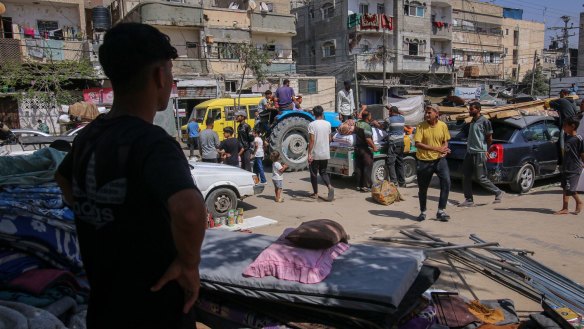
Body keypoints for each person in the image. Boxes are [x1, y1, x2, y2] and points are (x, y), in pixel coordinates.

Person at [53, 23, 206, 329]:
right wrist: (189, 265)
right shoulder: (154, 143)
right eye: (171, 72)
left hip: (105, 307)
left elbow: (63, 178)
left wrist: (96, 214)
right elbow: (189, 212)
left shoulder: (88, 136)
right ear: (159, 76)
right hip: (156, 309)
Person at [459, 102, 503, 207]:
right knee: (465, 176)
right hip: (470, 153)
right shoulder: (472, 122)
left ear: (478, 109)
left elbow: (489, 138)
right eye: (469, 109)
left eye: (472, 109)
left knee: (480, 177)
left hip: (479, 153)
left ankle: (498, 192)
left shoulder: (485, 122)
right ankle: (469, 199)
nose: (470, 111)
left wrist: (486, 150)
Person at [415, 105, 451, 222]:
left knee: (446, 183)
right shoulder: (421, 126)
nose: (426, 115)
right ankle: (423, 211)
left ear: (436, 113)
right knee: (423, 188)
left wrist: (445, 149)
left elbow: (445, 141)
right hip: (424, 161)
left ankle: (441, 211)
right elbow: (418, 144)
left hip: (440, 160)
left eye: (429, 113)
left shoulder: (443, 125)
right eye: (426, 112)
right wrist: (437, 149)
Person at [555, 116, 584, 215]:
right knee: (565, 187)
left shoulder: (578, 139)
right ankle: (565, 208)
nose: (563, 127)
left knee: (570, 189)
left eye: (565, 125)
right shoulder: (567, 137)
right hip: (566, 166)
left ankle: (579, 202)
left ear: (572, 126)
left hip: (574, 167)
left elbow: (582, 153)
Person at [307, 105, 334, 201]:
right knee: (323, 172)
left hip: (315, 153)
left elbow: (311, 140)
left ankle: (315, 193)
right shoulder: (328, 124)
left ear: (314, 114)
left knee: (313, 174)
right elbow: (330, 139)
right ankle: (330, 187)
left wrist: (309, 153)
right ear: (322, 113)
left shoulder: (312, 125)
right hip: (325, 152)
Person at [354, 110, 377, 192]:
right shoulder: (366, 126)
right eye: (370, 116)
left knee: (359, 167)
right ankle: (366, 186)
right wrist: (374, 146)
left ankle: (359, 185)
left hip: (357, 148)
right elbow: (368, 139)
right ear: (368, 117)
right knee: (368, 165)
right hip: (364, 148)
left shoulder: (357, 123)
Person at [384, 105, 406, 187]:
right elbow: (402, 113)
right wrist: (391, 108)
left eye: (389, 111)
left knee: (391, 163)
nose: (388, 113)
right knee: (400, 163)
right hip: (401, 143)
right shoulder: (402, 118)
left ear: (391, 112)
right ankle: (402, 182)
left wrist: (375, 123)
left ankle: (394, 182)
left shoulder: (388, 120)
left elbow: (383, 127)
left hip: (393, 144)